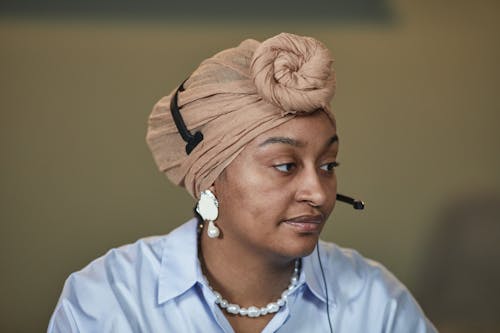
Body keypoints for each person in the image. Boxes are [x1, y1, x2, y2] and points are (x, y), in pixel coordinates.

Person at [48, 32, 437, 333]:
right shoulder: (111, 297)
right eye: (285, 165)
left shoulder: (375, 301)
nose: (318, 193)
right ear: (210, 178)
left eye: (328, 165)